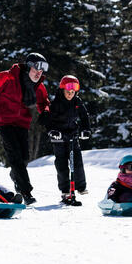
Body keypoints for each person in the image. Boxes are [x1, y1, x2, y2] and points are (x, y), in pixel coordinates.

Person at [0, 52, 50, 205]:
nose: (39, 73)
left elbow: (44, 102)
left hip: (22, 124)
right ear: (28, 67)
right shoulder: (6, 77)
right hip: (4, 122)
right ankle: (26, 192)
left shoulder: (38, 86)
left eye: (42, 71)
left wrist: (45, 113)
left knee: (24, 158)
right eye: (37, 69)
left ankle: (16, 176)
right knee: (15, 157)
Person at [41, 74, 92, 202]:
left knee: (77, 161)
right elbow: (48, 120)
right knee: (62, 163)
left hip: (72, 135)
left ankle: (80, 186)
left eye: (73, 92)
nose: (70, 94)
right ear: (62, 90)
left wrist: (86, 129)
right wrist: (52, 131)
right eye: (68, 92)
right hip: (59, 137)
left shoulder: (77, 102)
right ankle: (65, 190)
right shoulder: (56, 103)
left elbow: (84, 116)